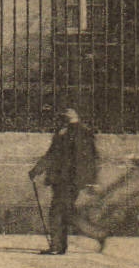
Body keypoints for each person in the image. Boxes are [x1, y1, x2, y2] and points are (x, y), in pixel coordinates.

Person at [29, 106, 100, 255]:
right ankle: (63, 245)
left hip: (71, 180)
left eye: (70, 110)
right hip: (60, 180)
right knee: (65, 213)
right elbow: (52, 154)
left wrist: (89, 181)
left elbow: (89, 159)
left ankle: (58, 246)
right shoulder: (63, 132)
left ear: (77, 114)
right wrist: (37, 169)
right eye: (65, 110)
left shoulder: (82, 133)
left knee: (58, 212)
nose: (66, 112)